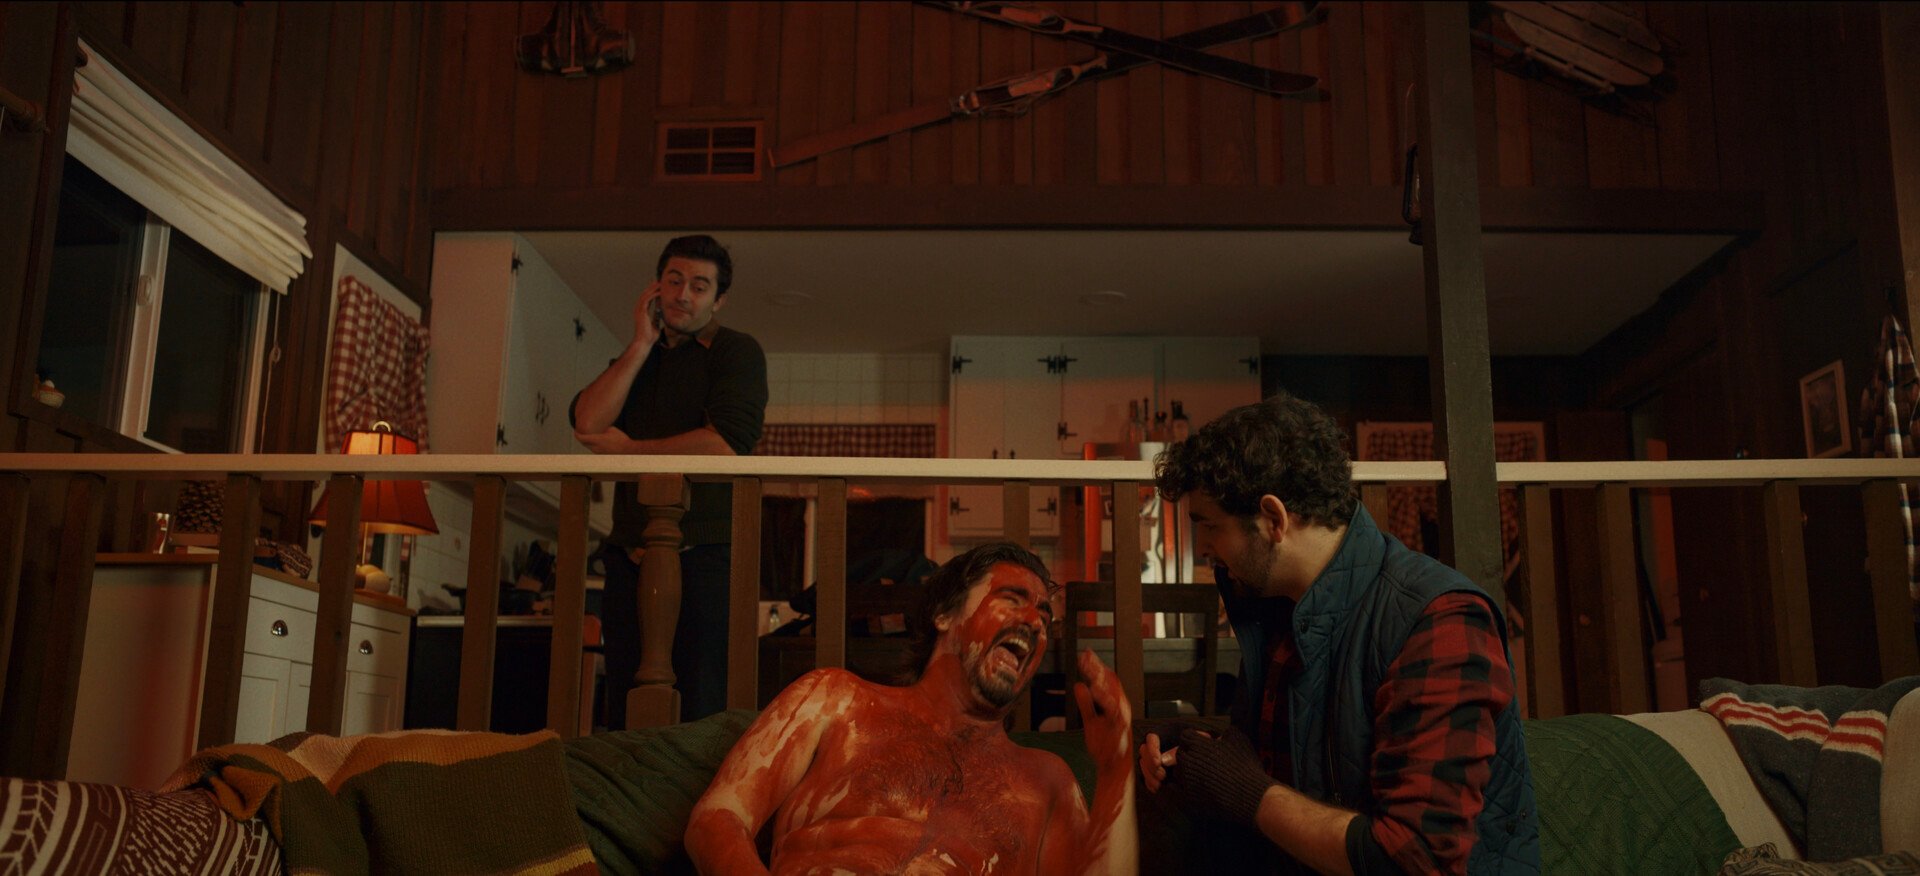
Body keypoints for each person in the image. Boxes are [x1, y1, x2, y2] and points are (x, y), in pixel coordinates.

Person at [1139, 394, 1538, 875]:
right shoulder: (1278, 611)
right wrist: (1199, 752)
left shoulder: (1440, 619)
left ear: (1273, 519)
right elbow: (1294, 775)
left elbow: (1414, 858)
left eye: (1209, 526)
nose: (1203, 547)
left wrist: (1245, 790)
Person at [685, 543, 1138, 874]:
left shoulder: (1047, 782)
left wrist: (1117, 768)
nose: (1035, 622)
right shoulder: (835, 700)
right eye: (1012, 599)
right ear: (944, 614)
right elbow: (717, 820)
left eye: (1044, 617)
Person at [571, 234, 767, 727]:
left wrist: (628, 452)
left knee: (703, 703)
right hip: (629, 551)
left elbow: (727, 443)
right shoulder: (636, 358)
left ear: (718, 300)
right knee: (625, 701)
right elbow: (588, 423)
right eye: (673, 281)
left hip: (706, 555)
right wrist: (640, 343)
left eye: (699, 286)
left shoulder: (736, 351)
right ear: (655, 288)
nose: (683, 295)